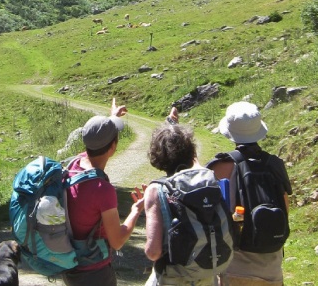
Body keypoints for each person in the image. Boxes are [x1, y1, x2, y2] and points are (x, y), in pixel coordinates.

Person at [143, 107, 231, 286]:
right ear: (191, 152)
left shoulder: (155, 190)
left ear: (157, 154)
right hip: (207, 276)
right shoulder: (208, 180)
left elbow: (153, 252)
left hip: (173, 278)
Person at [62, 97, 145, 286]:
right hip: (94, 273)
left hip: (71, 267)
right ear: (113, 147)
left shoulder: (75, 164)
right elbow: (117, 241)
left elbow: (96, 138)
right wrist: (136, 211)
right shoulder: (103, 190)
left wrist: (111, 118)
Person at [209, 102, 292, 286]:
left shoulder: (220, 167)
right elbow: (285, 211)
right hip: (271, 268)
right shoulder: (275, 165)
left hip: (233, 268)